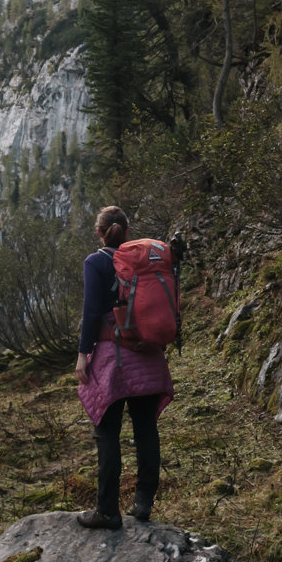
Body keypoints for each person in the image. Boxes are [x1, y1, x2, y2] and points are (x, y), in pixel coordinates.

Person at [75, 205, 174, 529]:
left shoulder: (96, 262)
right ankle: (143, 502)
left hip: (112, 359)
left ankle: (107, 510)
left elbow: (91, 313)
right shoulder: (144, 265)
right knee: (146, 428)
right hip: (148, 353)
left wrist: (82, 354)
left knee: (107, 433)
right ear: (127, 232)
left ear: (99, 232)